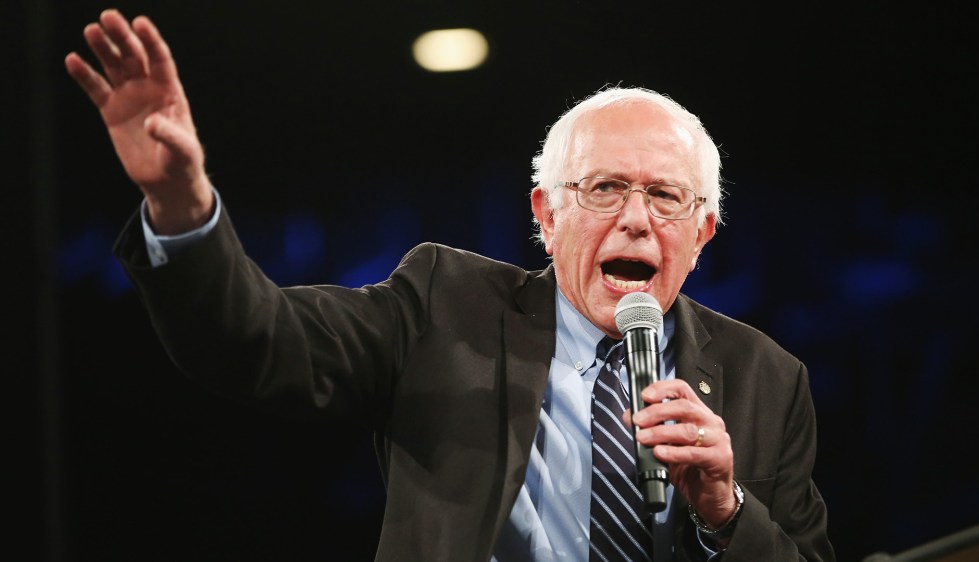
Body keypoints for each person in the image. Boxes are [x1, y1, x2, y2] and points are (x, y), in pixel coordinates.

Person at [66, 9, 835, 562]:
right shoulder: (445, 307)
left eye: (666, 197)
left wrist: (727, 514)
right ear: (547, 215)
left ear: (701, 234)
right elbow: (257, 341)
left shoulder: (768, 380)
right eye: (604, 188)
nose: (637, 220)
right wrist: (181, 205)